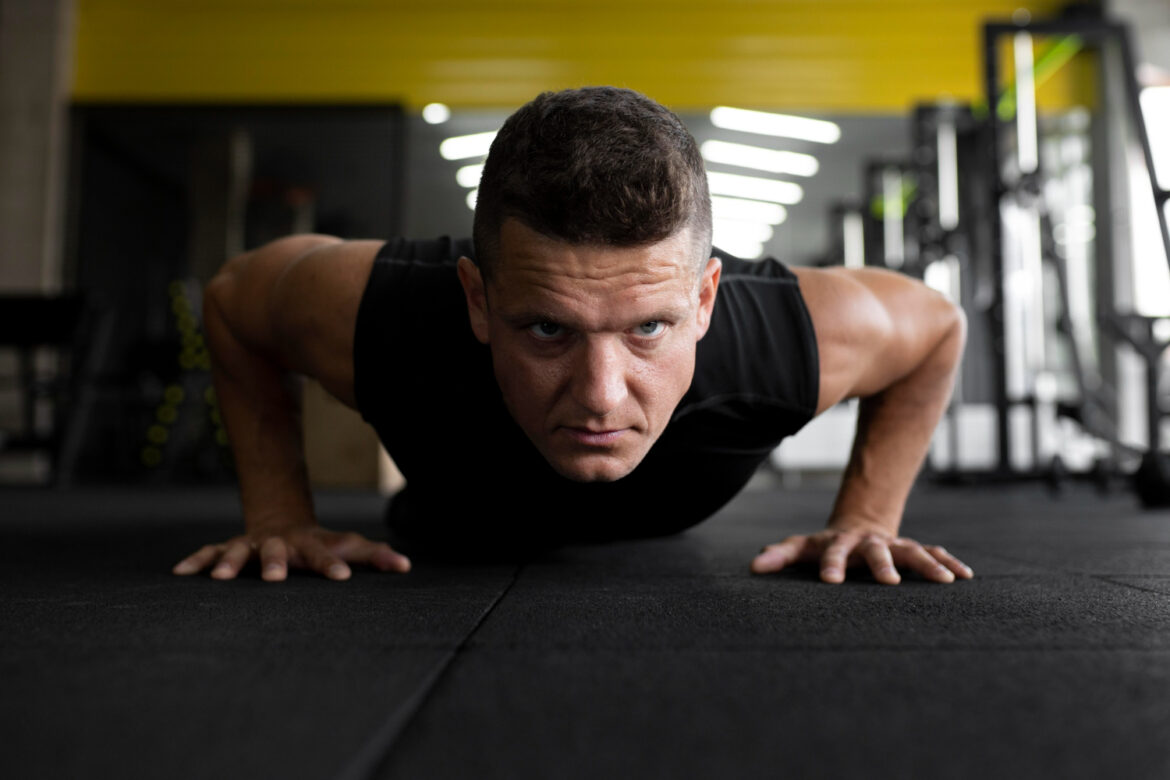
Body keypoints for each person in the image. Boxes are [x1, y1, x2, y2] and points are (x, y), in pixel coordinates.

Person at [173, 86, 973, 586]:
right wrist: (279, 513)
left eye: (649, 328)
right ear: (477, 300)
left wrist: (868, 515)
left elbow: (937, 327)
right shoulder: (387, 316)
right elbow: (235, 299)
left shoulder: (785, 338)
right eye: (548, 329)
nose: (599, 395)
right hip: (457, 525)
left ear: (704, 301)